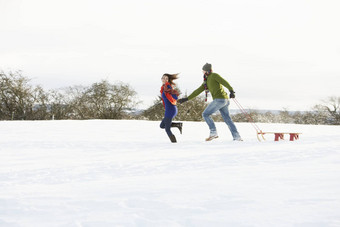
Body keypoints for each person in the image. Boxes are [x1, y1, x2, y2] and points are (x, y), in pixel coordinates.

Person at [178, 63, 242, 141]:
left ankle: (213, 132)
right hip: (224, 100)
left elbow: (224, 82)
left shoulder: (214, 75)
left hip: (219, 100)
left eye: (203, 71)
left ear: (207, 70)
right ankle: (237, 137)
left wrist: (231, 91)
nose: (203, 72)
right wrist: (187, 98)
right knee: (227, 119)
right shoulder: (206, 81)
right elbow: (197, 91)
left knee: (205, 114)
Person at [160, 73, 183, 143]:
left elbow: (176, 97)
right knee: (162, 125)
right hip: (169, 109)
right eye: (163, 78)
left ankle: (174, 143)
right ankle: (178, 124)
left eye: (166, 78)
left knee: (167, 129)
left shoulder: (168, 87)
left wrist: (172, 91)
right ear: (161, 79)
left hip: (171, 109)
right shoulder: (164, 87)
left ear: (168, 80)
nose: (164, 79)